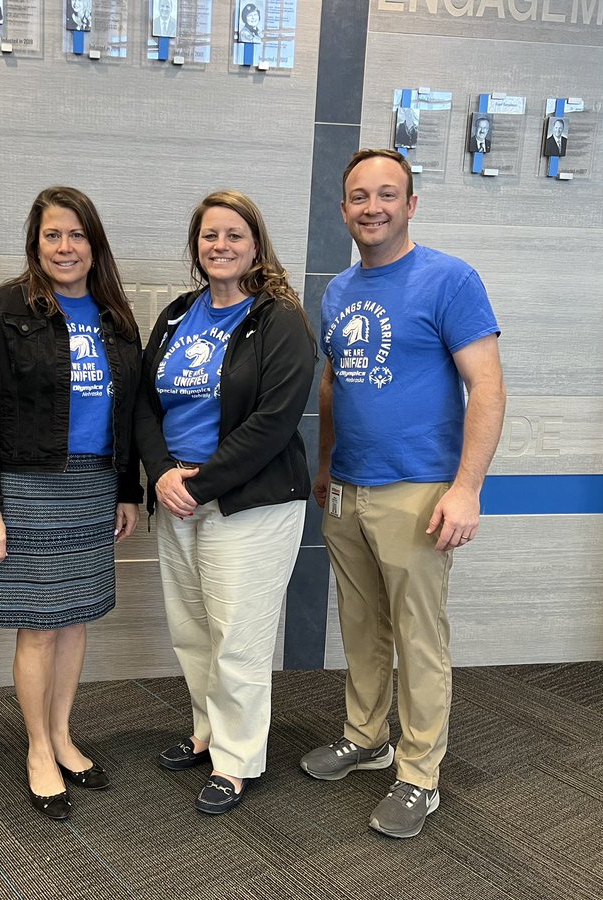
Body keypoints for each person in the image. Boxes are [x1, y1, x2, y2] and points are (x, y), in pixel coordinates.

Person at [300, 149, 505, 839]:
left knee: (419, 637)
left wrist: (467, 488)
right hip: (347, 488)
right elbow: (333, 383)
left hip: (418, 489)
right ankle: (367, 738)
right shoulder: (338, 290)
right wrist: (326, 464)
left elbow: (489, 386)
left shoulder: (451, 279)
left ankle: (419, 775)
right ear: (344, 209)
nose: (373, 207)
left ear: (411, 204)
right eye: (359, 196)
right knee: (361, 625)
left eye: (388, 194)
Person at [0, 186, 142, 822]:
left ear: (95, 244)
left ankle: (63, 734)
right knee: (37, 623)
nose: (65, 248)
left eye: (77, 235)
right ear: (35, 244)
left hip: (93, 485)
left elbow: (131, 412)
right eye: (52, 236)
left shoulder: (115, 314)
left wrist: (126, 489)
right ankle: (38, 748)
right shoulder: (6, 308)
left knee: (75, 619)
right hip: (28, 486)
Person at [137, 190, 316, 816]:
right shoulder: (176, 315)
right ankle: (207, 732)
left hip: (251, 502)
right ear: (196, 247)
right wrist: (161, 471)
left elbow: (273, 422)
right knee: (192, 631)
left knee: (238, 637)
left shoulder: (279, 320)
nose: (221, 245)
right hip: (178, 496)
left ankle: (237, 759)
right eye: (210, 235)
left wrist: (197, 483)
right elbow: (143, 404)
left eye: (234, 235)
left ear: (255, 245)